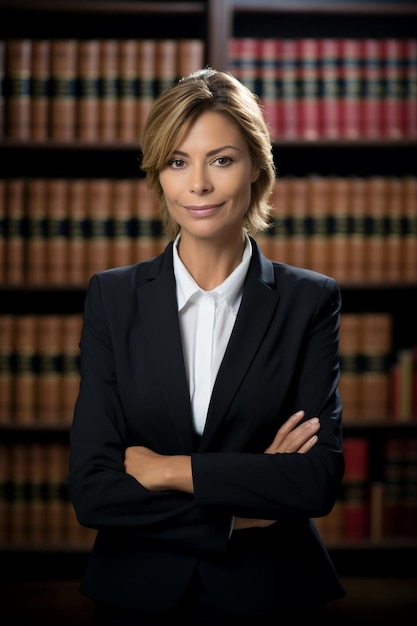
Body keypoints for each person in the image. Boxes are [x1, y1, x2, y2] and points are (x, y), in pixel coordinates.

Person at [65, 67, 346, 625]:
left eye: (221, 159)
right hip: (134, 597)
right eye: (177, 161)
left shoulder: (309, 301)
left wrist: (168, 470)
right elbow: (93, 492)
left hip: (273, 597)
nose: (198, 185)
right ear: (158, 173)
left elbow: (314, 482)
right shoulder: (113, 297)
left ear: (256, 168)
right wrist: (241, 507)